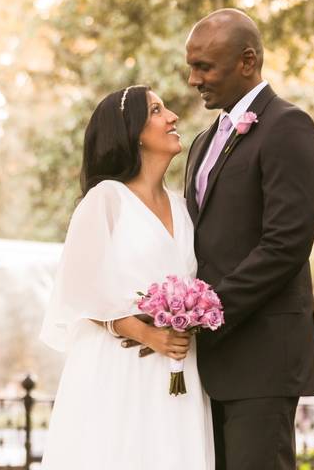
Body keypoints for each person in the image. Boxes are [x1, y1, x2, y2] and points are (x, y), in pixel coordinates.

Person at [180, 8, 314, 469]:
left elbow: (285, 244)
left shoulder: (288, 127)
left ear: (247, 61)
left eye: (204, 66)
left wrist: (207, 312)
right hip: (208, 363)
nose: (193, 79)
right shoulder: (204, 142)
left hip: (262, 358)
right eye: (191, 66)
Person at [39, 85, 214, 469]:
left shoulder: (184, 208)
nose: (172, 117)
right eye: (157, 110)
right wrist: (147, 333)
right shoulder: (106, 200)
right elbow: (78, 291)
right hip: (120, 367)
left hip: (179, 368)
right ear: (132, 130)